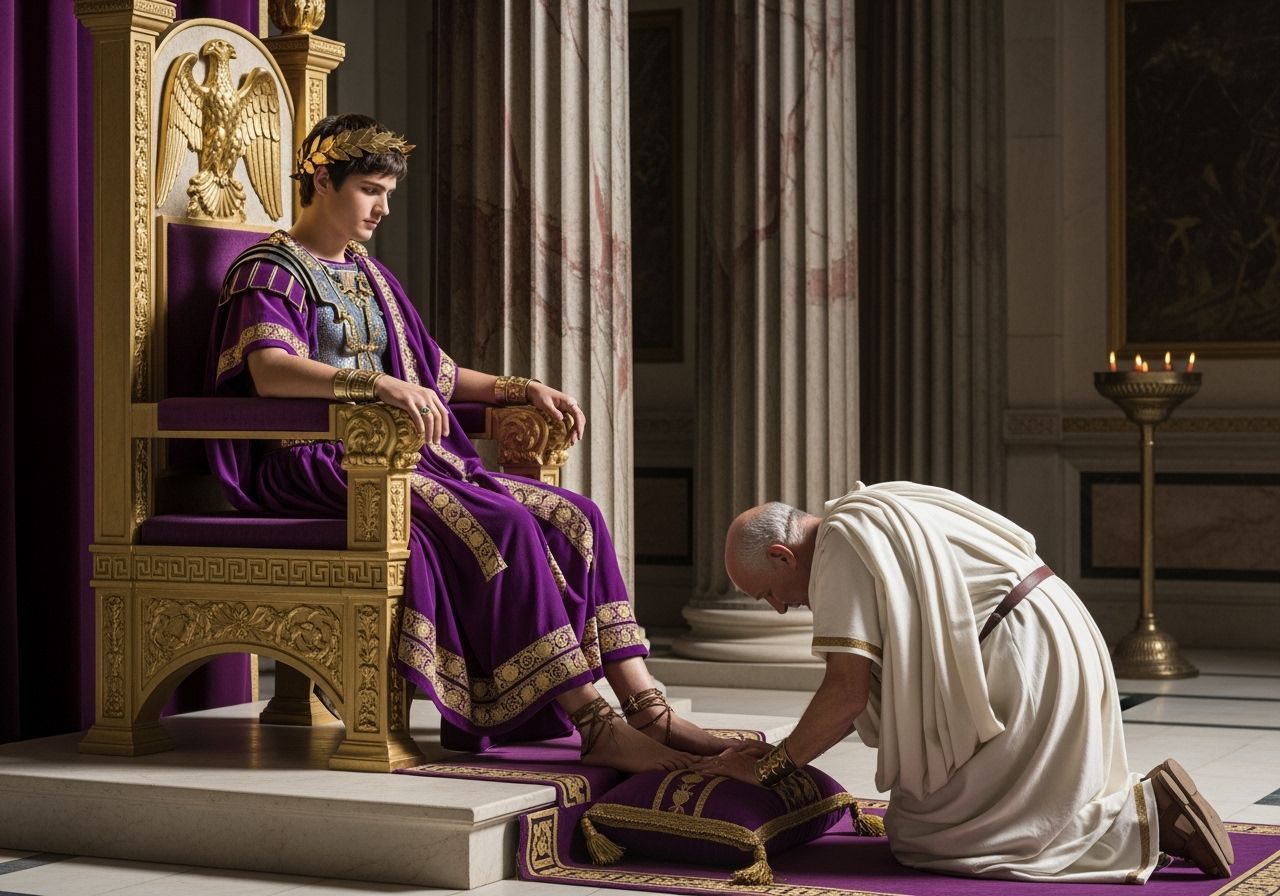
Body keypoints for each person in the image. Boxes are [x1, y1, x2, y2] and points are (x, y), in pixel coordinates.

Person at [208, 112, 728, 773]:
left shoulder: (369, 274)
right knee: (505, 521)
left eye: (388, 192)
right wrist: (376, 386)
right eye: (371, 189)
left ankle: (648, 707)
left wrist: (516, 388)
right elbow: (269, 371)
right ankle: (594, 723)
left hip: (395, 455)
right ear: (321, 182)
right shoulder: (270, 271)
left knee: (577, 516)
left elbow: (435, 372)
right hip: (313, 463)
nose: (383, 207)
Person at [705, 480, 1234, 883]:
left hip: (1020, 655)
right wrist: (789, 752)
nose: (777, 608)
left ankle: (1147, 819)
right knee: (940, 815)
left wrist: (772, 768)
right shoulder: (867, 508)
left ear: (782, 554)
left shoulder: (839, 550)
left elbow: (847, 694)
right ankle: (1141, 812)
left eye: (766, 593)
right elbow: (864, 690)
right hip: (1054, 627)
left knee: (934, 839)